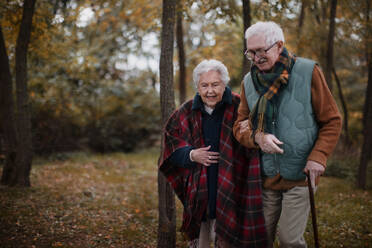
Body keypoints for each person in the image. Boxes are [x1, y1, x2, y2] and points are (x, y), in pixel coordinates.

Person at [233, 21, 342, 247]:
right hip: (266, 175)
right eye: (250, 52)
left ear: (279, 45)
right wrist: (257, 138)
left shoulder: (307, 71)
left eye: (261, 50)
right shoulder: (248, 82)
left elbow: (332, 120)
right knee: (258, 239)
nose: (255, 57)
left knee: (289, 240)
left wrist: (318, 157)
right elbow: (240, 125)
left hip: (301, 174)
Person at [159, 59, 267, 248]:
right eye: (204, 85)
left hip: (233, 187)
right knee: (200, 242)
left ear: (224, 84)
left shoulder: (239, 105)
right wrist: (191, 154)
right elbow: (169, 148)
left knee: (228, 240)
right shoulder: (185, 111)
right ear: (198, 87)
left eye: (215, 85)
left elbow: (254, 140)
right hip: (199, 192)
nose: (210, 91)